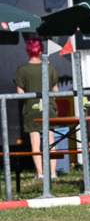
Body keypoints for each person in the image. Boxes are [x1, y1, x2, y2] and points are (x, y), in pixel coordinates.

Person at [13, 37, 58, 179]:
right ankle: (53, 173)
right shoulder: (49, 68)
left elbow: (20, 93)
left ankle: (40, 173)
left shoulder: (22, 70)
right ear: (40, 51)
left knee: (35, 143)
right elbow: (55, 90)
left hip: (31, 109)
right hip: (48, 107)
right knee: (51, 141)